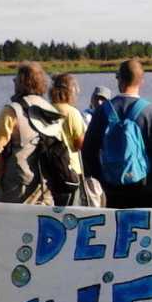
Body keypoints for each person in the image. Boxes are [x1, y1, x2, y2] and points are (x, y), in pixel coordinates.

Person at [81, 59, 152, 209]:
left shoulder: (102, 111)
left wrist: (99, 179)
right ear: (141, 81)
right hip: (146, 189)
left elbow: (88, 152)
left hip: (110, 189)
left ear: (120, 80)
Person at [0, 61, 68, 205]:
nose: (13, 82)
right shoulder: (52, 111)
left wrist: (1, 179)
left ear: (21, 82)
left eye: (15, 79)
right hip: (46, 186)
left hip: (15, 187)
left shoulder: (12, 111)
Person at [50, 73, 103, 206]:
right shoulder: (72, 112)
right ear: (70, 92)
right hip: (71, 172)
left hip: (51, 171)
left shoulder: (47, 109)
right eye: (76, 92)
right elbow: (80, 144)